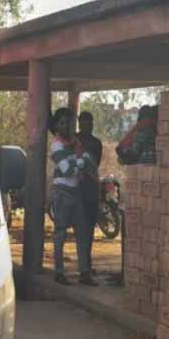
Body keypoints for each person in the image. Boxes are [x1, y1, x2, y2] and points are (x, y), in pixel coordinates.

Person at [49, 107, 96, 286]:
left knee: (81, 234)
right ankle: (59, 273)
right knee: (60, 233)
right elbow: (68, 170)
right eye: (63, 122)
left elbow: (74, 167)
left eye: (69, 122)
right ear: (56, 125)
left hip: (75, 191)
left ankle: (84, 273)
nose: (67, 126)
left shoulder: (74, 142)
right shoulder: (56, 145)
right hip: (62, 192)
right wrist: (82, 161)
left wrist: (78, 163)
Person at [77, 111, 103, 274]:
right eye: (85, 122)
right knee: (82, 229)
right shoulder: (74, 140)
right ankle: (84, 265)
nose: (88, 125)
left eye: (90, 122)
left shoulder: (96, 143)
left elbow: (95, 165)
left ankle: (86, 263)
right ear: (80, 124)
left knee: (89, 229)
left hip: (90, 189)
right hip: (79, 190)